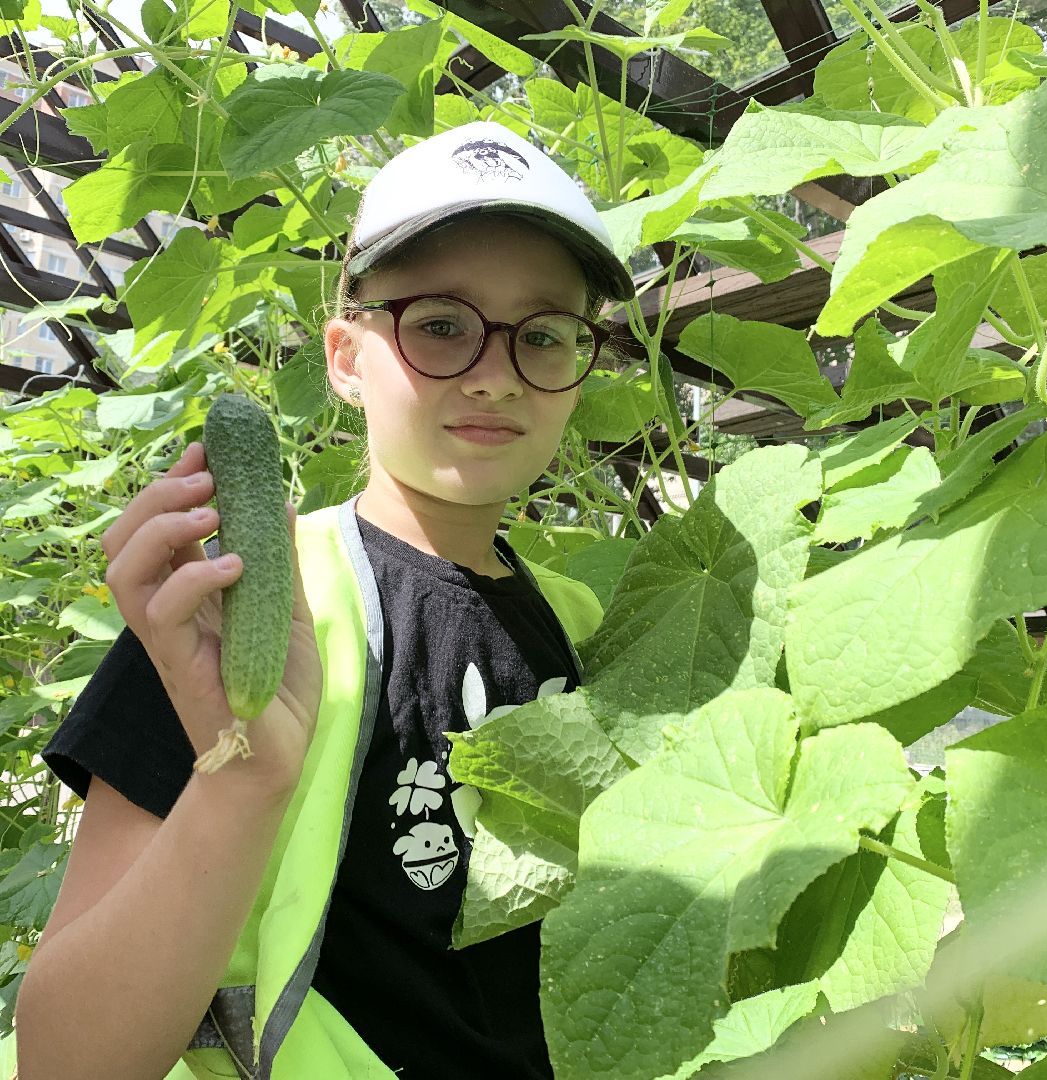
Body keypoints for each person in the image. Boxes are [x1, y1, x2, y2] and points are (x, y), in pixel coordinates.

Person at [14, 120, 636, 1080]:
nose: (493, 372)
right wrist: (242, 778)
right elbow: (68, 1064)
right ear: (345, 358)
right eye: (440, 323)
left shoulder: (595, 628)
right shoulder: (222, 613)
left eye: (543, 336)